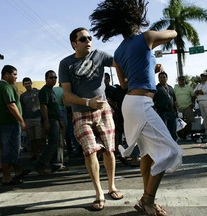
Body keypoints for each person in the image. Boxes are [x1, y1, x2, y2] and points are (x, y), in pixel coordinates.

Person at [90, 1, 183, 215]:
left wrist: (151, 65)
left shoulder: (119, 51)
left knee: (148, 154)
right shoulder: (147, 37)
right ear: (136, 20)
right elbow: (174, 33)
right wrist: (155, 37)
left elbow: (123, 84)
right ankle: (147, 200)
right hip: (140, 104)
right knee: (170, 151)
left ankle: (146, 201)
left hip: (129, 103)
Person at [58, 27, 123, 211]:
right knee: (90, 151)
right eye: (83, 39)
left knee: (109, 150)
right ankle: (99, 192)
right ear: (74, 44)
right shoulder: (66, 64)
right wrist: (88, 102)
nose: (88, 41)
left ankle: (111, 187)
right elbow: (67, 96)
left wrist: (149, 64)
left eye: (89, 38)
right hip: (81, 113)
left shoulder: (100, 55)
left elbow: (121, 62)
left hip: (103, 111)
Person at [0, 65, 26, 185]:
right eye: (14, 74)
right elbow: (11, 105)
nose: (16, 77)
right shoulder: (6, 86)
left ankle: (17, 173)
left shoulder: (1, 86)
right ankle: (6, 177)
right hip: (9, 123)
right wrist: (21, 120)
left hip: (5, 123)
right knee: (10, 150)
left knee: (11, 149)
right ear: (6, 75)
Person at [33, 70, 62, 175]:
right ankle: (40, 164)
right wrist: (46, 122)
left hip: (55, 119)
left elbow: (55, 107)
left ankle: (55, 165)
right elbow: (43, 106)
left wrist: (60, 121)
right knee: (52, 143)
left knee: (56, 143)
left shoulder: (51, 91)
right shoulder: (44, 90)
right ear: (46, 79)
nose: (54, 79)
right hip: (50, 119)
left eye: (55, 77)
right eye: (51, 77)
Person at [20, 77, 46, 160]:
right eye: (25, 83)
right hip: (28, 119)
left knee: (40, 138)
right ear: (23, 85)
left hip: (38, 118)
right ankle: (36, 155)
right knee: (32, 139)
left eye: (28, 83)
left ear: (31, 83)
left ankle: (43, 155)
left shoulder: (37, 92)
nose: (27, 85)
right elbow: (22, 108)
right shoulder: (22, 96)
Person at [153, 71, 177, 141]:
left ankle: (174, 146)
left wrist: (176, 111)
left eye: (164, 77)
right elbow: (153, 101)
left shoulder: (170, 88)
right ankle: (165, 148)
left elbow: (174, 100)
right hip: (162, 113)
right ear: (158, 79)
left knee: (173, 130)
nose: (162, 79)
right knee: (163, 131)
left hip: (171, 112)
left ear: (167, 78)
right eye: (160, 78)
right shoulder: (156, 89)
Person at [52, 84, 69, 172]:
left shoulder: (53, 89)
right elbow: (65, 103)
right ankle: (59, 162)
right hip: (61, 112)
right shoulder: (64, 91)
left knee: (55, 139)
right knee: (61, 139)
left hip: (51, 114)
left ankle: (55, 161)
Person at [194, 72, 207, 142]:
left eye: (204, 76)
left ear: (206, 77)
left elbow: (204, 91)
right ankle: (206, 130)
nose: (203, 77)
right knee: (204, 116)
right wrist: (198, 91)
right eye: (202, 76)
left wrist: (199, 92)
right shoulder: (199, 84)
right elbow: (195, 92)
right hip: (200, 101)